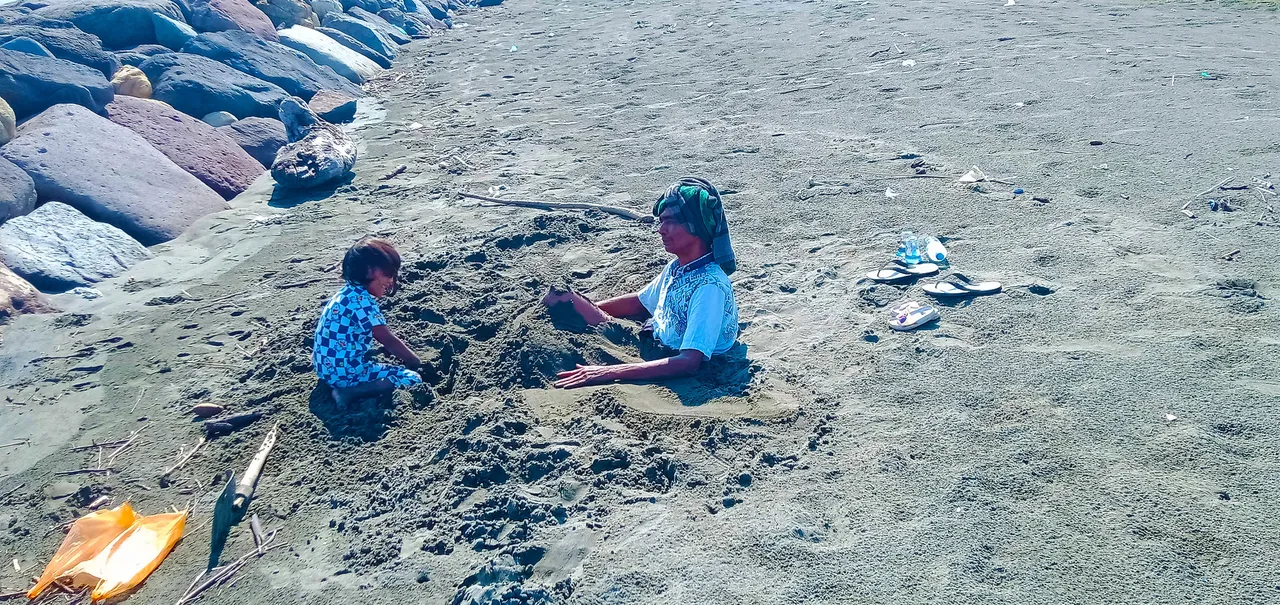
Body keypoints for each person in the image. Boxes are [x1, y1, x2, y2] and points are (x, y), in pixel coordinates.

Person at [544, 177, 739, 389]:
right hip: (652, 338)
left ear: (696, 227)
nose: (661, 230)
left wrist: (605, 372)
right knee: (561, 300)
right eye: (662, 221)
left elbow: (689, 362)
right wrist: (587, 310)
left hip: (670, 359)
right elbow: (640, 302)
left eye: (670, 221)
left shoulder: (709, 287)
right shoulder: (678, 267)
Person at [313, 237, 423, 405]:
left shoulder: (346, 294)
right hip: (344, 375)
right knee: (411, 378)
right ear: (371, 271)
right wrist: (414, 361)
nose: (391, 281)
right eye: (388, 274)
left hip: (325, 369)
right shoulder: (363, 303)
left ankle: (347, 385)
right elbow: (387, 339)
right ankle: (348, 393)